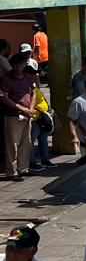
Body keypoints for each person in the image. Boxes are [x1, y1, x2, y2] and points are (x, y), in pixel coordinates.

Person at [0, 51, 37, 181]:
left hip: (27, 114)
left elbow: (33, 93)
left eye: (20, 65)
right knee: (12, 144)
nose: (18, 67)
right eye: (15, 65)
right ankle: (12, 171)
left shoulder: (28, 77)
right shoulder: (6, 79)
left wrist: (31, 109)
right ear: (11, 65)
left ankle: (23, 168)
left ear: (24, 65)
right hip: (13, 115)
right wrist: (22, 108)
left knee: (26, 142)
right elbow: (4, 98)